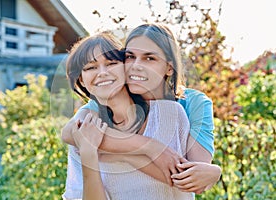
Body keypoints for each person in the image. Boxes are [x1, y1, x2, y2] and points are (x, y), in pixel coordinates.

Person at [62, 23, 222, 198]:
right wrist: (149, 147)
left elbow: (190, 176)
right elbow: (72, 133)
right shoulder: (110, 98)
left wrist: (215, 171)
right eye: (130, 56)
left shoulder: (189, 105)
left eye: (149, 58)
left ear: (169, 67)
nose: (136, 66)